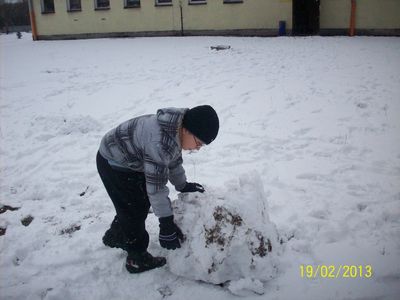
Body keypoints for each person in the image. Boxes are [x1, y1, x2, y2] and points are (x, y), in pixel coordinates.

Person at [96, 105, 219, 273]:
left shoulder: (175, 129)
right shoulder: (160, 142)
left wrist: (182, 184)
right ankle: (136, 258)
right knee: (134, 208)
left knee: (136, 201)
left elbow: (173, 161)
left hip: (132, 159)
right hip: (113, 161)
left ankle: (117, 235)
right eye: (198, 143)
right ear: (187, 130)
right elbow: (156, 188)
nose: (198, 148)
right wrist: (166, 223)